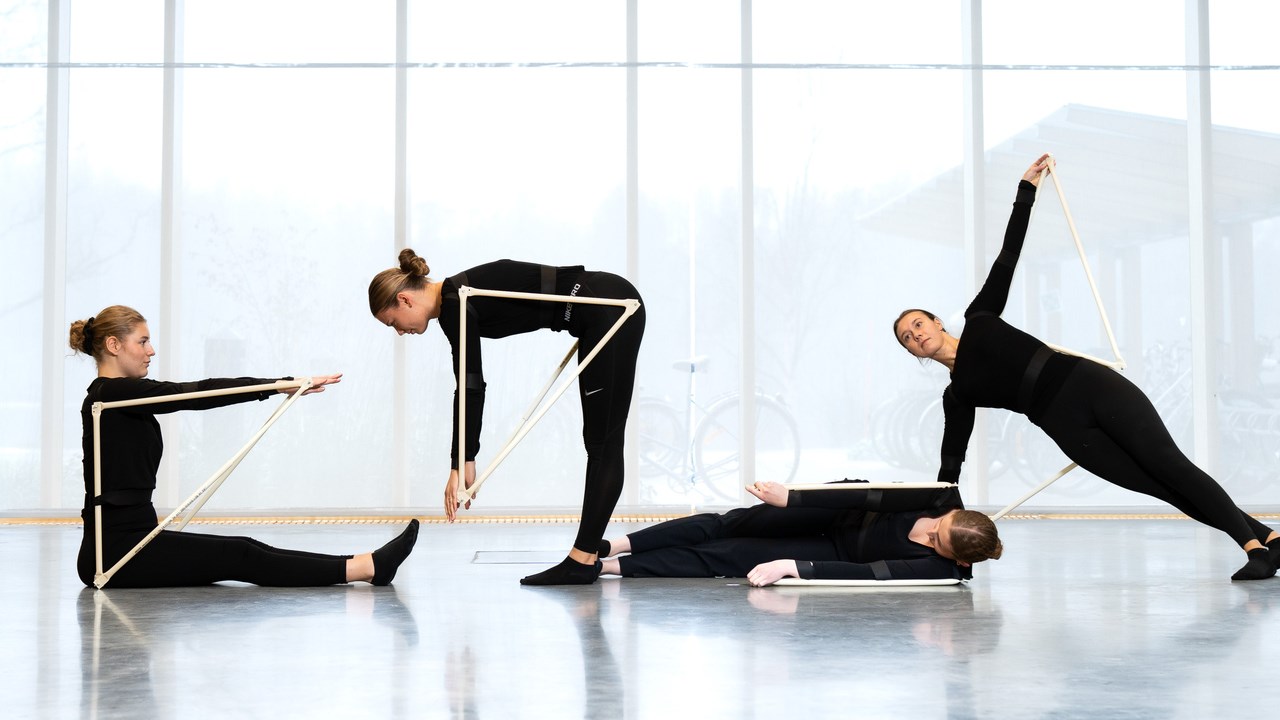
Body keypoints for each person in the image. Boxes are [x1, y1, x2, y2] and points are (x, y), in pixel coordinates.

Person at [894, 153, 1280, 582]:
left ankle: (1252, 548)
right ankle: (1270, 539)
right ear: (914, 354)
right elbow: (952, 460)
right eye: (907, 338)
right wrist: (931, 518)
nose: (915, 335)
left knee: (1171, 466)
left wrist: (1026, 191)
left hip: (1090, 386)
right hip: (1065, 427)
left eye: (917, 324)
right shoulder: (957, 394)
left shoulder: (980, 317)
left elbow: (1009, 254)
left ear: (936, 321)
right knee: (1161, 487)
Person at [72, 305, 419, 588]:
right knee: (240, 554)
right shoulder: (110, 395)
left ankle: (366, 565)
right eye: (142, 342)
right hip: (116, 554)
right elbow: (197, 393)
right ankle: (367, 567)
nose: (151, 351)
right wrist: (280, 384)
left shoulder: (120, 397)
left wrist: (281, 385)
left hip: (132, 540)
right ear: (115, 345)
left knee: (243, 549)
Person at [368, 250, 645, 585]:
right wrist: (463, 457)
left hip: (612, 307)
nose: (399, 332)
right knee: (599, 442)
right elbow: (468, 382)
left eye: (392, 322)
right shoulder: (455, 301)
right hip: (601, 307)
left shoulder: (457, 299)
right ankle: (584, 557)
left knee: (603, 443)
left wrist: (462, 460)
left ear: (404, 300)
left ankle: (583, 559)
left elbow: (470, 386)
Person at [598, 480, 1002, 585]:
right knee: (729, 523)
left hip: (837, 553)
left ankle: (610, 569)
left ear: (960, 560)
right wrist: (792, 498)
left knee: (727, 556)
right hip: (840, 509)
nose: (928, 533)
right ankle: (612, 545)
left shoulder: (942, 571)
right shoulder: (942, 499)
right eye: (937, 528)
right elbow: (869, 496)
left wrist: (794, 567)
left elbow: (871, 574)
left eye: (936, 541)